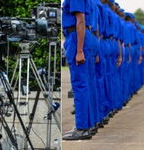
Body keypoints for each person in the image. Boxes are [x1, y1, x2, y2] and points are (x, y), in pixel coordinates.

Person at [62, 0, 99, 140]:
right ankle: (89, 125)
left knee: (80, 85)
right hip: (87, 37)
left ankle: (82, 128)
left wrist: (79, 50)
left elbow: (80, 20)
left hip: (77, 37)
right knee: (88, 84)